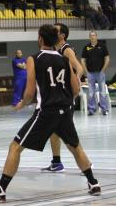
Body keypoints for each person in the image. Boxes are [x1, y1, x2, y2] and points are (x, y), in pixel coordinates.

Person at [0, 24, 101, 202]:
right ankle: (93, 183)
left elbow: (29, 93)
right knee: (75, 147)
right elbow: (75, 89)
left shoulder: (33, 59)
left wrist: (21, 104)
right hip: (65, 110)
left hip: (46, 112)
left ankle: (1, 189)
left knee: (15, 147)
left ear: (40, 39)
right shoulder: (64, 59)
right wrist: (64, 100)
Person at [41, 23, 84, 173]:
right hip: (57, 96)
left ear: (62, 35)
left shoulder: (66, 50)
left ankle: (86, 164)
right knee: (55, 131)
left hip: (65, 97)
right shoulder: (54, 50)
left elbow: (80, 68)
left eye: (56, 30)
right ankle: (56, 162)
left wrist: (74, 84)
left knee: (67, 134)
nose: (53, 30)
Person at [81, 31, 110, 116]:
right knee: (91, 92)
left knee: (103, 91)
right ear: (89, 37)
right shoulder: (86, 47)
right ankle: (91, 109)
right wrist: (86, 71)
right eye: (91, 36)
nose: (92, 37)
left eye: (94, 35)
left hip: (100, 73)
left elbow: (107, 58)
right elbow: (83, 60)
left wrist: (103, 70)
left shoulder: (102, 46)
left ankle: (104, 109)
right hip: (90, 73)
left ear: (96, 36)